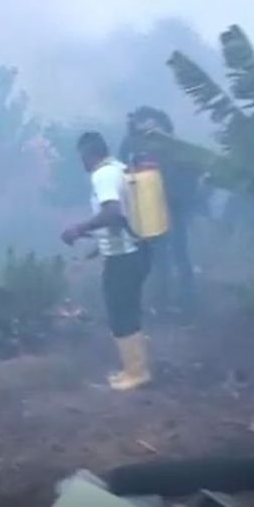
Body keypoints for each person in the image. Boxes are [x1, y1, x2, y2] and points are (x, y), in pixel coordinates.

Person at [62, 131, 152, 390]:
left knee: (120, 311)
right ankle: (134, 368)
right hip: (136, 250)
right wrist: (95, 244)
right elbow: (121, 218)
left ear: (87, 154)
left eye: (81, 156)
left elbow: (112, 212)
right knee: (128, 309)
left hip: (124, 256)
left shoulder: (102, 175)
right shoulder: (120, 168)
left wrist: (79, 229)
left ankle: (136, 372)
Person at [119, 108, 199, 320]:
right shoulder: (136, 145)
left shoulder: (175, 149)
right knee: (161, 257)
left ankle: (187, 306)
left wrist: (182, 205)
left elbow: (191, 178)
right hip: (152, 209)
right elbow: (125, 168)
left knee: (178, 255)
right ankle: (162, 304)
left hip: (174, 209)